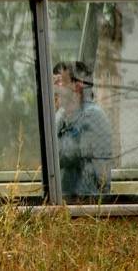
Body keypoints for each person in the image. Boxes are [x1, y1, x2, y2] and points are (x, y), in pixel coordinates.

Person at [53, 61, 113, 198]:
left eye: (59, 81)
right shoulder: (62, 115)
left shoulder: (92, 115)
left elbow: (61, 155)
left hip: (88, 204)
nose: (54, 88)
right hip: (65, 202)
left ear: (77, 86)